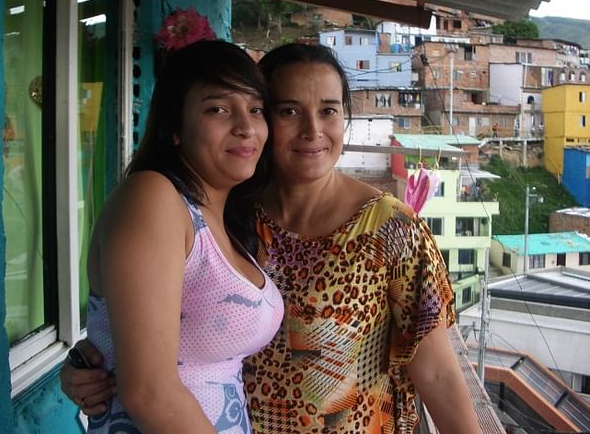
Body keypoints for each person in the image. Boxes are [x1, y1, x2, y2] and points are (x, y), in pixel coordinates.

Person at [62, 43, 481, 433]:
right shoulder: (233, 215)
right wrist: (96, 359)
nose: (313, 129)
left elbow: (439, 373)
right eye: (288, 111)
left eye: (330, 110)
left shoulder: (391, 229)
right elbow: (164, 343)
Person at [75, 40, 284, 433]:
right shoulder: (153, 197)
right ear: (175, 128)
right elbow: (148, 392)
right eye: (218, 109)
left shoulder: (227, 221)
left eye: (255, 109)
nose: (245, 127)